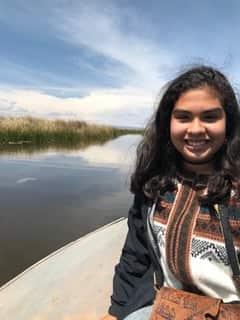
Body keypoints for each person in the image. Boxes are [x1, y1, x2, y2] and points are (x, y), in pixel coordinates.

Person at [101, 66, 240, 320]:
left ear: (228, 122)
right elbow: (135, 256)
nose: (196, 129)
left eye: (210, 117)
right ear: (168, 122)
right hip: (169, 306)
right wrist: (116, 312)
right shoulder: (155, 183)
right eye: (184, 117)